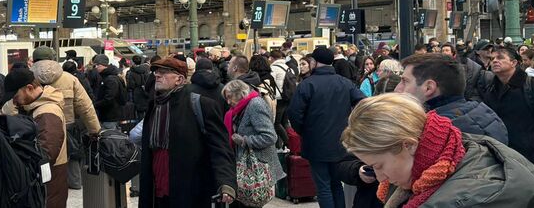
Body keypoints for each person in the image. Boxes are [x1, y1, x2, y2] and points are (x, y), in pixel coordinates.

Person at [341, 93, 534, 207]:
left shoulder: (460, 200)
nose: (380, 177)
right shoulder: (460, 146)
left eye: (379, 165)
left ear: (408, 144)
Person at [139, 58, 236, 207]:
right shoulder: (154, 106)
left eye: (164, 72)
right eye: (156, 72)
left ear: (179, 79)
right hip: (156, 189)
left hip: (188, 190)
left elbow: (220, 147)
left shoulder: (200, 104)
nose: (157, 75)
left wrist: (226, 182)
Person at [288, 47, 365, 208]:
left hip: (315, 143)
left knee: (323, 187)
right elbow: (363, 103)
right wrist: (352, 125)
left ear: (314, 62)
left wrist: (305, 131)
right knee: (336, 184)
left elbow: (294, 114)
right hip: (341, 141)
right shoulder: (345, 83)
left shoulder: (306, 85)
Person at [394, 53, 508, 145]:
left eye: (405, 81)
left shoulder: (435, 134)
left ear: (429, 88)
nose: (397, 89)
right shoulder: (485, 115)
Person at [29, 48, 101, 191]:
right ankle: (74, 184)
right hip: (67, 127)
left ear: (34, 60)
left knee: (38, 161)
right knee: (71, 157)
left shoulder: (27, 79)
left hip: (35, 128)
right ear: (53, 59)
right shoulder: (69, 78)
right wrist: (95, 130)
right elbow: (86, 107)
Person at [2, 68, 68, 208]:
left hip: (49, 182)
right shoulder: (33, 107)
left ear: (30, 88)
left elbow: (45, 154)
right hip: (46, 180)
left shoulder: (47, 112)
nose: (14, 101)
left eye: (15, 96)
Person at [222, 80, 285, 208]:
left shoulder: (255, 105)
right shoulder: (241, 107)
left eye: (229, 97)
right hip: (245, 165)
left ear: (240, 93)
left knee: (252, 203)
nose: (228, 102)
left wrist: (244, 140)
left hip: (256, 166)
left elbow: (270, 137)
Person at [479, 46, 534, 163]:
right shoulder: (491, 88)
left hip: (530, 153)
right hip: (502, 152)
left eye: (500, 58)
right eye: (492, 58)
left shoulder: (531, 85)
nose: (494, 61)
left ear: (514, 62)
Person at [92, 54, 126, 130]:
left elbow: (109, 98)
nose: (96, 67)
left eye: (98, 65)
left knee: (109, 137)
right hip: (110, 114)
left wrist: (95, 105)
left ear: (104, 65)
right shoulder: (108, 76)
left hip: (110, 115)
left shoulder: (110, 79)